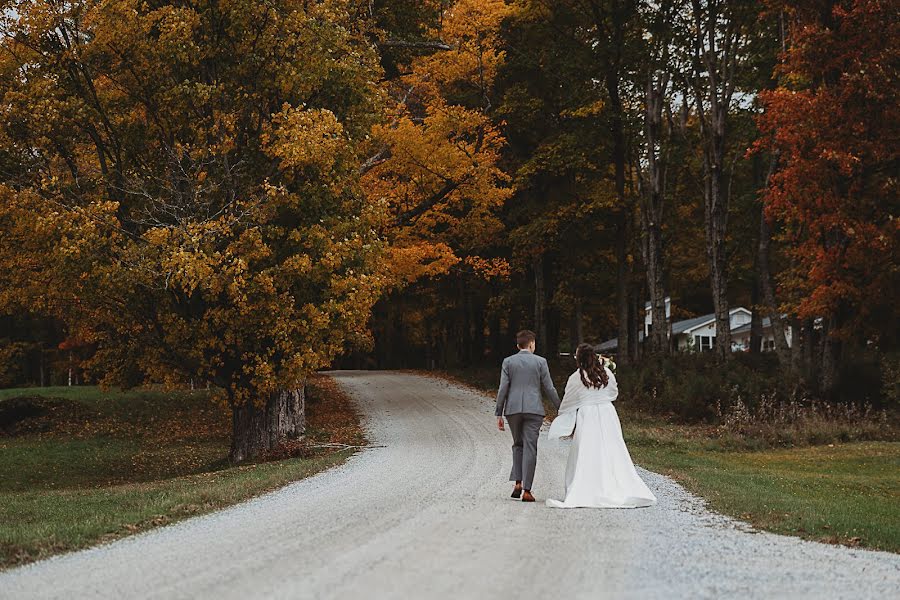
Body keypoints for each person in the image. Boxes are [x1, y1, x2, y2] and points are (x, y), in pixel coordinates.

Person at [545, 343, 656, 509]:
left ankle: (589, 487)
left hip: (587, 415)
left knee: (588, 450)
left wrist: (568, 413)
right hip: (607, 413)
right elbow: (614, 393)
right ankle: (615, 485)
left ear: (579, 359)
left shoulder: (576, 377)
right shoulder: (606, 373)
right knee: (611, 448)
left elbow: (569, 400)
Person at [495, 330, 560, 502]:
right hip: (534, 410)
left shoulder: (508, 362)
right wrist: (561, 408)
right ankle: (527, 491)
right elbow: (549, 388)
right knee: (530, 447)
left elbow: (503, 388)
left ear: (518, 345)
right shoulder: (540, 362)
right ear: (531, 344)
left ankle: (517, 483)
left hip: (513, 409)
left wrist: (499, 413)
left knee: (518, 445)